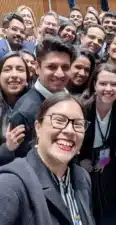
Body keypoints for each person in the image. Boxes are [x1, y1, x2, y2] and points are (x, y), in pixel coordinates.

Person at [0, 92, 94, 225]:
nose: (69, 130)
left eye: (78, 124)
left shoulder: (82, 177)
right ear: (38, 127)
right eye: (59, 121)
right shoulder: (12, 185)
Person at [5, 37, 75, 165]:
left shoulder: (71, 100)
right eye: (52, 67)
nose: (60, 74)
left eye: (65, 67)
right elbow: (24, 165)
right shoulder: (24, 113)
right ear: (37, 67)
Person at [79, 64, 116, 225]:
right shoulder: (82, 108)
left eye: (114, 84)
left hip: (105, 160)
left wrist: (105, 161)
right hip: (81, 158)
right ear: (94, 85)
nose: (108, 89)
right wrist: (79, 161)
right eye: (103, 84)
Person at [0, 52, 29, 166]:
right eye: (7, 69)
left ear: (27, 78)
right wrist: (7, 148)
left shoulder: (37, 105)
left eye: (20, 69)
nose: (14, 75)